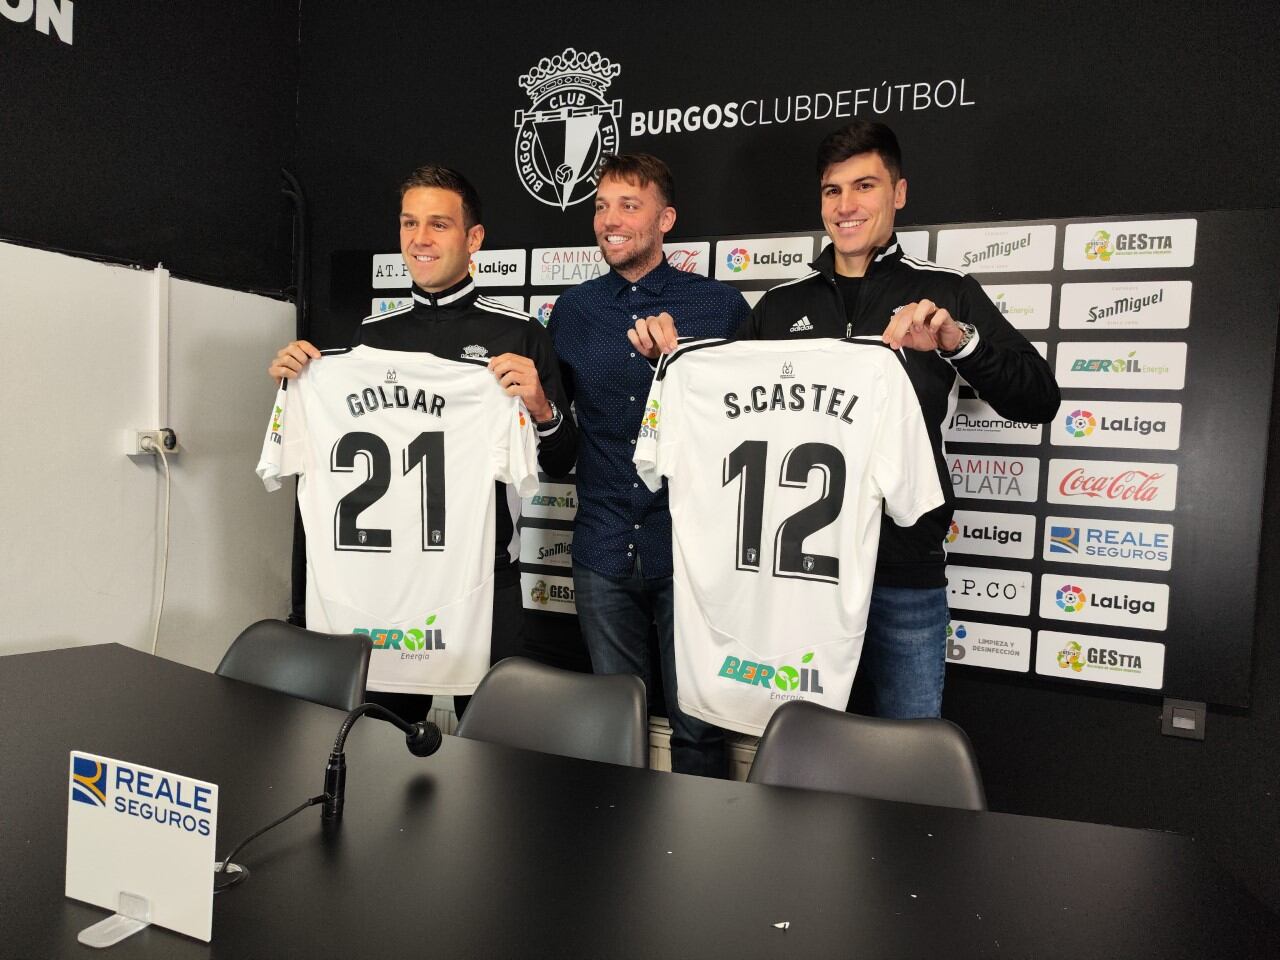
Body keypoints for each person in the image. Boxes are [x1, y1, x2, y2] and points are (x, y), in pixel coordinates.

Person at [630, 122, 1060, 719]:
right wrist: (675, 365)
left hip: (902, 572)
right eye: (833, 191)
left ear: (899, 194)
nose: (846, 205)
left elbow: (1039, 399)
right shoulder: (781, 305)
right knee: (802, 761)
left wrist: (958, 342)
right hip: (797, 586)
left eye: (865, 186)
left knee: (905, 763)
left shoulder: (946, 292)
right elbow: (725, 412)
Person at [268, 164, 577, 721]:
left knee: (498, 753)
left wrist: (540, 407)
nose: (420, 239)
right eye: (410, 223)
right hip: (387, 583)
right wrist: (300, 380)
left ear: (473, 238)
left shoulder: (520, 334)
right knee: (378, 747)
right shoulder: (370, 338)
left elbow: (560, 459)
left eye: (438, 224)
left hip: (485, 575)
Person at [549, 154, 751, 777]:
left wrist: (678, 363)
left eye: (628, 206)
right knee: (616, 734)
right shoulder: (574, 311)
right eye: (601, 206)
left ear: (665, 219)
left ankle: (703, 864)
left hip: (691, 557)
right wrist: (538, 408)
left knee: (698, 732)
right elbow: (556, 451)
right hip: (602, 550)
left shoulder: (718, 307)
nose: (609, 220)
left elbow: (744, 434)